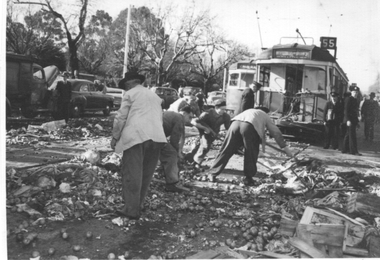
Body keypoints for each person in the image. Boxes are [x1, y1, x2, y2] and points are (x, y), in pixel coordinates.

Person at [111, 71, 167, 220]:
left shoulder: (130, 94)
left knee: (132, 173)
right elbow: (159, 117)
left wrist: (115, 137)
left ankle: (131, 209)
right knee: (146, 173)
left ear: (129, 84)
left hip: (136, 136)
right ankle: (139, 204)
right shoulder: (154, 96)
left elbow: (120, 117)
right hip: (156, 136)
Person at [204, 107, 294, 186]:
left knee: (226, 149)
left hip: (234, 125)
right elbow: (275, 132)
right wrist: (285, 148)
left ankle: (212, 173)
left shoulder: (249, 111)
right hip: (249, 127)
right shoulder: (264, 115)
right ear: (266, 112)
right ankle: (248, 178)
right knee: (251, 153)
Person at [187, 99, 231, 168]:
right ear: (216, 108)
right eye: (222, 109)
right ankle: (196, 162)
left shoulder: (225, 116)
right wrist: (205, 128)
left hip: (214, 132)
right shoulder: (207, 114)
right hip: (204, 130)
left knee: (202, 145)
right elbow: (195, 122)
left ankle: (189, 158)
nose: (223, 111)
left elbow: (228, 128)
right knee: (206, 146)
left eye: (225, 109)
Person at [160, 106, 194, 192]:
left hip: (148, 133)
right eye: (189, 117)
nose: (190, 120)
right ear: (184, 113)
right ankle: (172, 183)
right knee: (171, 154)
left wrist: (180, 150)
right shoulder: (179, 118)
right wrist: (177, 153)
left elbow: (181, 136)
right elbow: (174, 140)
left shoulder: (172, 115)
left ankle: (160, 172)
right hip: (155, 135)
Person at [342, 86, 361, 155]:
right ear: (351, 92)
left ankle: (344, 149)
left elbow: (355, 112)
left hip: (353, 120)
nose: (355, 94)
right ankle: (353, 151)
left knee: (348, 134)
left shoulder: (355, 100)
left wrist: (357, 122)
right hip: (349, 120)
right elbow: (346, 111)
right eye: (354, 92)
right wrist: (348, 120)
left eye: (357, 92)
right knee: (352, 135)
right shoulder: (348, 99)